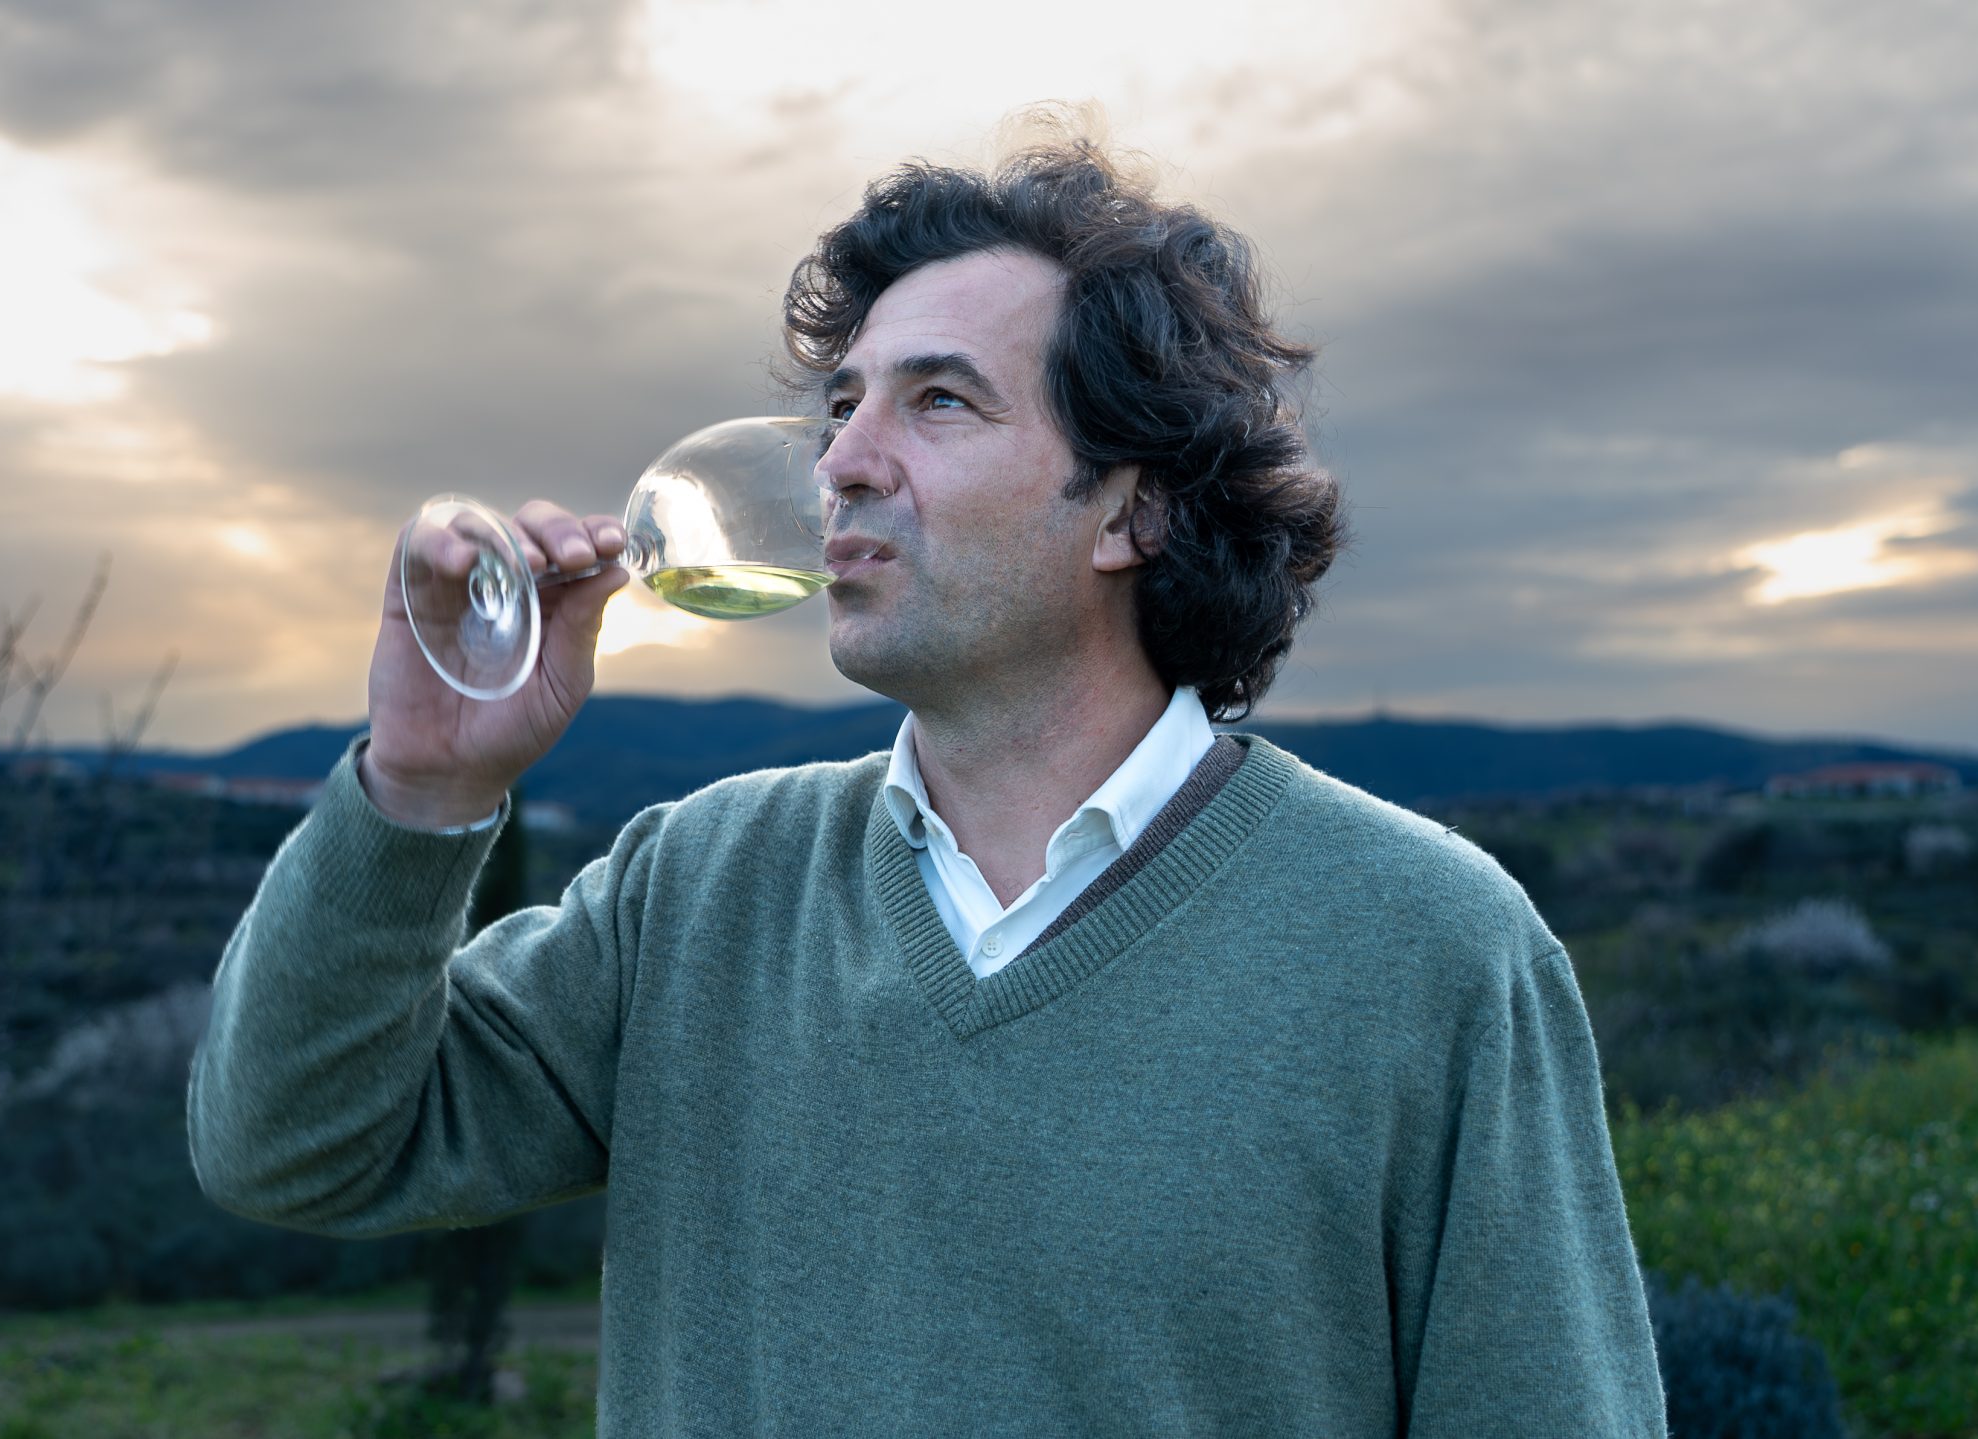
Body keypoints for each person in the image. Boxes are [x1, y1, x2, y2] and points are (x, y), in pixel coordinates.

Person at [188, 129, 1669, 1436]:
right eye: (844, 405)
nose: (843, 460)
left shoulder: (1427, 946)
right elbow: (295, 1149)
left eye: (940, 402)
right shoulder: (696, 887)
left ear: (1134, 511)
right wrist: (420, 787)